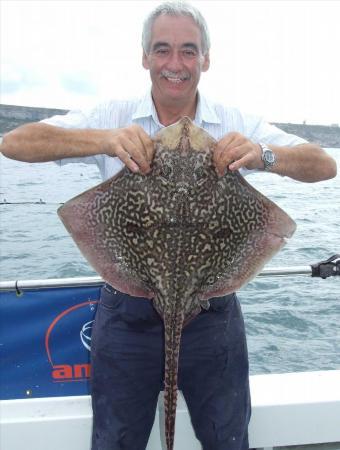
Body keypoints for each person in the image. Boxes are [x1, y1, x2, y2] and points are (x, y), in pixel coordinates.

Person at [1, 2, 337, 450]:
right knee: (116, 440)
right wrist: (105, 139)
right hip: (126, 313)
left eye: (188, 51)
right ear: (145, 58)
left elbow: (324, 164)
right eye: (163, 50)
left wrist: (263, 153)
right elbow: (14, 142)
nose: (175, 63)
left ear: (206, 58)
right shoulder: (113, 114)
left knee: (226, 438)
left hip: (212, 311)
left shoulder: (236, 122)